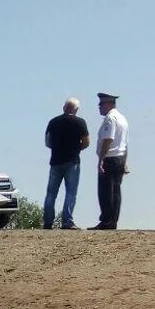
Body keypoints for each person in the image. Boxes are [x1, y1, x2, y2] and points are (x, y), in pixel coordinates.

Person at [43, 98, 90, 229]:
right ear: (76, 109)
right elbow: (86, 142)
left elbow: (48, 142)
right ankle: (67, 221)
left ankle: (47, 221)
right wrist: (76, 149)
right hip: (72, 161)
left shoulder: (53, 122)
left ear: (64, 108)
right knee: (71, 192)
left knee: (51, 193)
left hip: (55, 161)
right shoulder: (80, 122)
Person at [91, 92, 129, 230]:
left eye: (101, 104)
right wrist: (124, 161)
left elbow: (108, 140)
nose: (99, 107)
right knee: (116, 191)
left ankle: (107, 220)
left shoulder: (110, 118)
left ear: (108, 104)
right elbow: (125, 144)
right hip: (119, 157)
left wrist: (101, 160)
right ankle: (112, 220)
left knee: (106, 191)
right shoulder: (122, 119)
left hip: (110, 158)